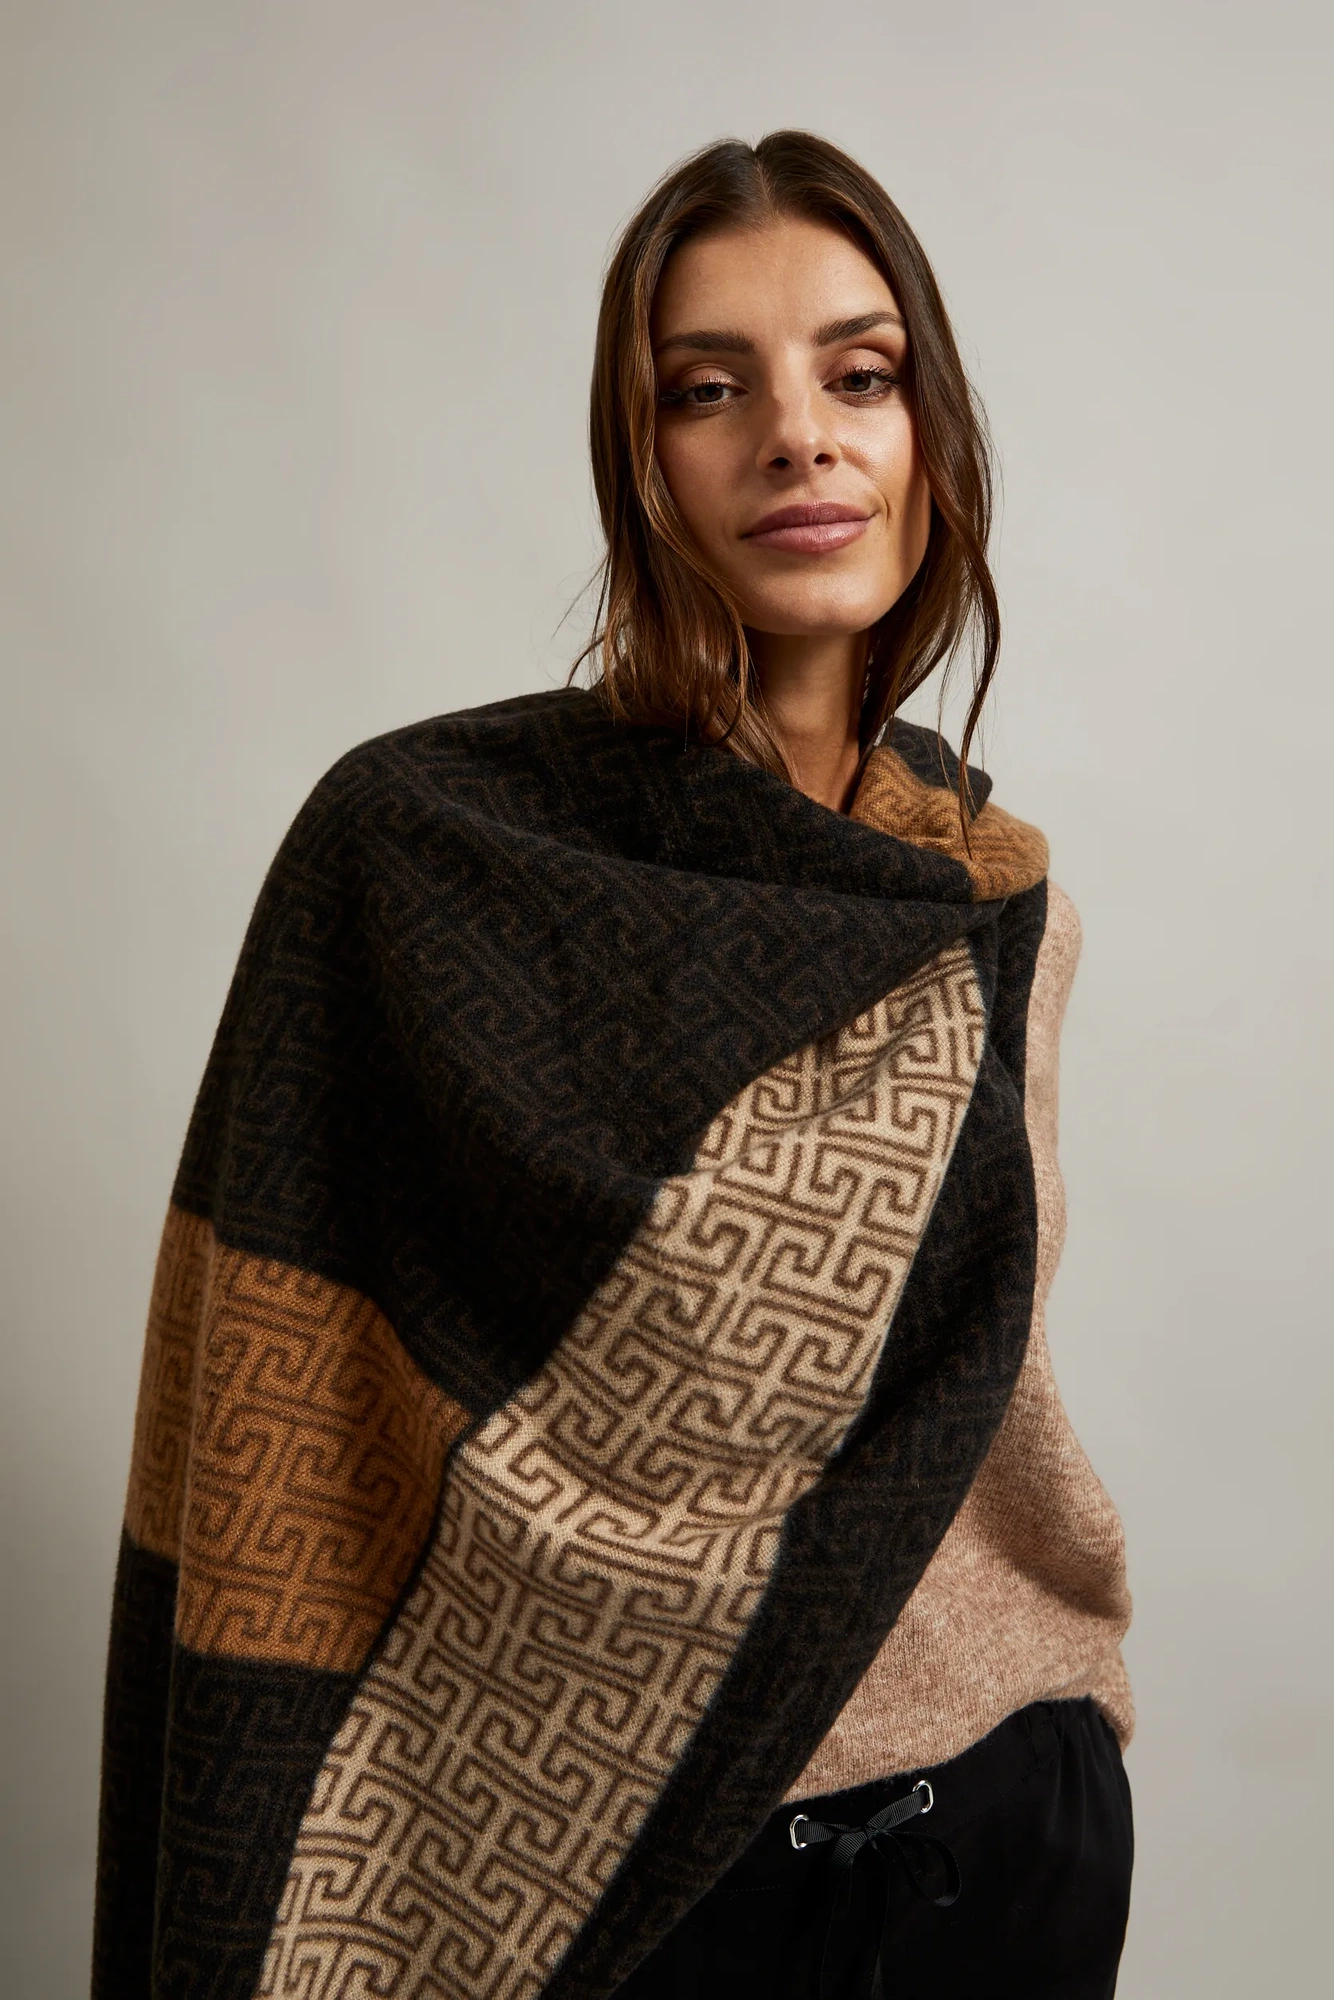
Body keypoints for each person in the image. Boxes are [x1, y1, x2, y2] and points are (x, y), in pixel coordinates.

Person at [94, 133, 1132, 2000]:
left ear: (930, 440)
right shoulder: (425, 855)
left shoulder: (998, 909)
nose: (797, 437)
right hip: (618, 1882)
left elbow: (983, 1414)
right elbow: (285, 1409)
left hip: (997, 1837)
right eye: (707, 389)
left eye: (859, 376)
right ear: (637, 462)